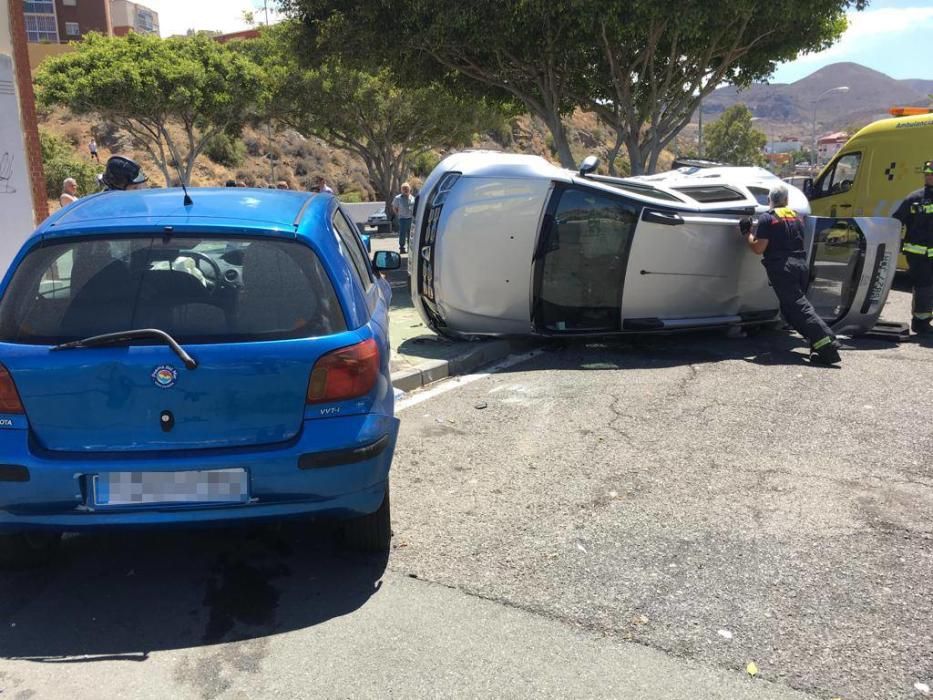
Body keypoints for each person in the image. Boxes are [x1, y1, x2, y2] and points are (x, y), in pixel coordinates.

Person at [739, 184, 841, 365]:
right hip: (801, 266)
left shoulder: (767, 218)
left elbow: (758, 248)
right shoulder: (797, 217)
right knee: (791, 311)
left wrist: (747, 233)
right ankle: (818, 344)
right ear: (786, 200)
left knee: (800, 309)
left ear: (769, 201)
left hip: (782, 269)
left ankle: (827, 344)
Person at [892, 159, 933, 336]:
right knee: (924, 287)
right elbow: (896, 222)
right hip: (919, 256)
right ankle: (921, 322)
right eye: (927, 174)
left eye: (931, 174)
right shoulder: (914, 199)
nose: (929, 177)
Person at [392, 182, 415, 254]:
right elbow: (394, 207)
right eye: (404, 189)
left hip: (411, 219)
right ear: (401, 190)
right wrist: (398, 214)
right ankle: (402, 248)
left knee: (411, 234)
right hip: (402, 219)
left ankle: (410, 249)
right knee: (402, 234)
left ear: (409, 189)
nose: (405, 190)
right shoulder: (398, 198)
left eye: (407, 188)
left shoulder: (412, 198)